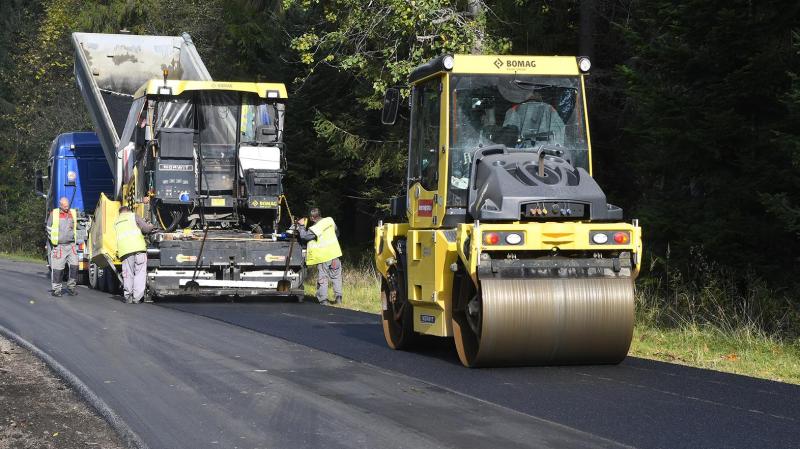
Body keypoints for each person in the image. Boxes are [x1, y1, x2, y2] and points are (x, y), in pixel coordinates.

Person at [297, 208, 343, 305]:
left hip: (324, 256)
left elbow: (304, 237)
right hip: (335, 254)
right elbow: (337, 233)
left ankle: (323, 300)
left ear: (312, 218)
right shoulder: (330, 220)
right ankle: (338, 298)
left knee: (323, 278)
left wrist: (301, 226)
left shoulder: (316, 228)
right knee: (336, 277)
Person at [115, 205, 154, 304]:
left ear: (120, 213)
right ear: (129, 211)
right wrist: (151, 226)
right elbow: (145, 229)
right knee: (140, 273)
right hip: (139, 249)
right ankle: (137, 298)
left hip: (125, 251)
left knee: (128, 274)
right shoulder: (133, 216)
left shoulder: (116, 221)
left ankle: (128, 296)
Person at [46, 197, 80, 297]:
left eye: (67, 205)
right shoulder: (54, 214)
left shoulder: (72, 213)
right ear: (60, 205)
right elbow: (48, 228)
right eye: (64, 206)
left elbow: (75, 227)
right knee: (58, 269)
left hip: (71, 245)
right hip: (59, 246)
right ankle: (56, 289)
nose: (67, 207)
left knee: (75, 266)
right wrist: (53, 241)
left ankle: (71, 287)